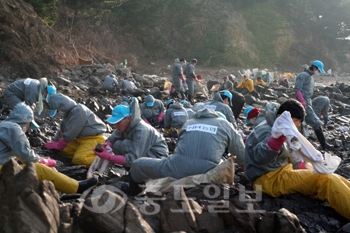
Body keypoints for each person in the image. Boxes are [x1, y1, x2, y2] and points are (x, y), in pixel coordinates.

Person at [244, 99, 350, 220]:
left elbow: (286, 155)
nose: (296, 127)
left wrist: (306, 166)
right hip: (268, 180)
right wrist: (277, 139)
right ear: (281, 117)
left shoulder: (275, 124)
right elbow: (260, 156)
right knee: (326, 181)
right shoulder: (268, 131)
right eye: (295, 122)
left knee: (330, 175)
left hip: (280, 172)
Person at [0, 103, 97, 194]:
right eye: (30, 124)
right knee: (39, 169)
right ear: (25, 121)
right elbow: (25, 154)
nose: (29, 129)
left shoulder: (3, 125)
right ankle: (76, 187)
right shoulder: (14, 128)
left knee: (18, 161)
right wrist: (42, 161)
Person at [130, 108, 245, 184]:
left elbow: (181, 147)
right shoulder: (224, 124)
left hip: (176, 169)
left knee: (138, 164)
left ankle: (135, 193)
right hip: (207, 172)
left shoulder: (189, 122)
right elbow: (240, 152)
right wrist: (243, 167)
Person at [93, 98, 169, 168]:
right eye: (114, 123)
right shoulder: (123, 126)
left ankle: (139, 173)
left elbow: (132, 159)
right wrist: (106, 145)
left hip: (158, 159)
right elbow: (111, 139)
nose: (116, 125)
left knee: (125, 144)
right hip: (144, 153)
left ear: (129, 118)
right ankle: (132, 171)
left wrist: (108, 156)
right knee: (117, 145)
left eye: (118, 122)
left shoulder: (141, 130)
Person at [44, 93, 107, 167]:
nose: (58, 113)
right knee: (63, 150)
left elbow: (73, 130)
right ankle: (90, 152)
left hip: (94, 138)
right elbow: (62, 129)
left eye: (58, 110)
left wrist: (61, 143)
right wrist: (55, 141)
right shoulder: (68, 113)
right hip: (81, 139)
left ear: (62, 106)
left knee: (79, 159)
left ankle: (106, 159)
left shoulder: (79, 110)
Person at [294, 60, 333, 150]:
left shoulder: (309, 77)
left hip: (308, 101)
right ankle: (324, 144)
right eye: (319, 70)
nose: (318, 72)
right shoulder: (303, 75)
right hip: (303, 103)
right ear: (314, 68)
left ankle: (303, 142)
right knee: (316, 123)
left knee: (304, 122)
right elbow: (297, 90)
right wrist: (302, 102)